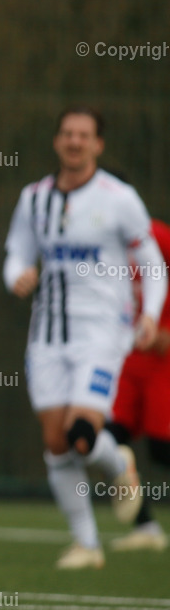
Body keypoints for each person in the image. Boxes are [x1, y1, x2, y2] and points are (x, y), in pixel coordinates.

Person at [4, 107, 166, 569]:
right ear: (57, 141)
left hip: (102, 333)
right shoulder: (34, 198)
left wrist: (150, 313)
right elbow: (16, 252)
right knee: (57, 443)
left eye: (84, 135)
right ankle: (86, 544)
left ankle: (118, 467)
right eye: (67, 134)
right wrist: (17, 275)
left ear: (98, 144)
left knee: (81, 431)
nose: (74, 142)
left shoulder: (119, 198)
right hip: (47, 336)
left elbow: (152, 262)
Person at [104, 217, 170, 551]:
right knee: (109, 437)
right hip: (123, 358)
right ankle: (145, 526)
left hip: (163, 359)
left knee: (162, 448)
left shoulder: (156, 236)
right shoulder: (92, 238)